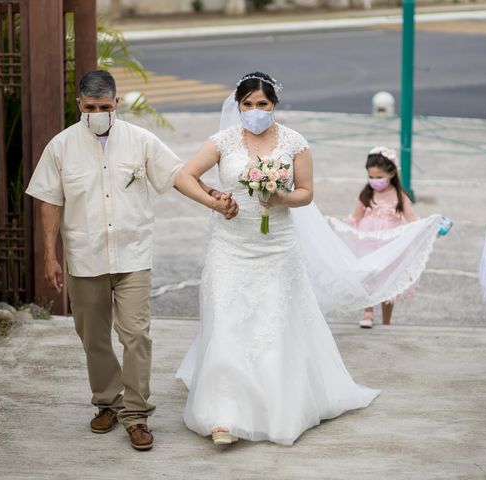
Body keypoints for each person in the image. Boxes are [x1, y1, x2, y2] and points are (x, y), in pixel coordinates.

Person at [25, 70, 237, 451]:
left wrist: (213, 200)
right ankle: (108, 402)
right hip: (84, 256)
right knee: (92, 338)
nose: (98, 113)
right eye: (91, 107)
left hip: (132, 256)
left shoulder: (141, 141)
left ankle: (136, 414)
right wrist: (49, 257)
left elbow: (178, 176)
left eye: (105, 107)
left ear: (117, 104)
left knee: (136, 334)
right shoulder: (60, 147)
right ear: (79, 106)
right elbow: (49, 201)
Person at [173, 72, 380, 446]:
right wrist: (214, 202)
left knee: (272, 323)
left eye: (262, 104)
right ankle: (223, 415)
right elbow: (183, 176)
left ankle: (276, 407)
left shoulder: (294, 143)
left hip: (276, 246)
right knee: (227, 321)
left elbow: (306, 193)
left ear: (274, 106)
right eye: (247, 104)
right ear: (238, 106)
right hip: (230, 245)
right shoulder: (222, 142)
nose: (254, 111)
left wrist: (280, 198)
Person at [344, 146, 418, 328]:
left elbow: (412, 218)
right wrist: (341, 227)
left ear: (392, 173)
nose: (374, 181)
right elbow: (356, 217)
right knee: (368, 275)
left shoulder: (400, 196)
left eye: (379, 177)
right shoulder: (367, 194)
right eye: (371, 177)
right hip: (367, 240)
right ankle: (368, 312)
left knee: (387, 280)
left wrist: (429, 227)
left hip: (390, 243)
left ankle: (386, 320)